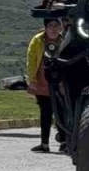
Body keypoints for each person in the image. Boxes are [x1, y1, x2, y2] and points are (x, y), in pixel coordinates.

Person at [26, 15, 64, 153]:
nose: (53, 29)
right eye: (50, 26)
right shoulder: (37, 40)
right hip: (42, 82)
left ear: (60, 27)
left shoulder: (65, 40)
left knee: (62, 112)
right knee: (45, 113)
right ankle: (44, 143)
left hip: (60, 83)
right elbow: (31, 60)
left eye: (56, 26)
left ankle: (64, 142)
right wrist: (32, 80)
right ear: (46, 28)